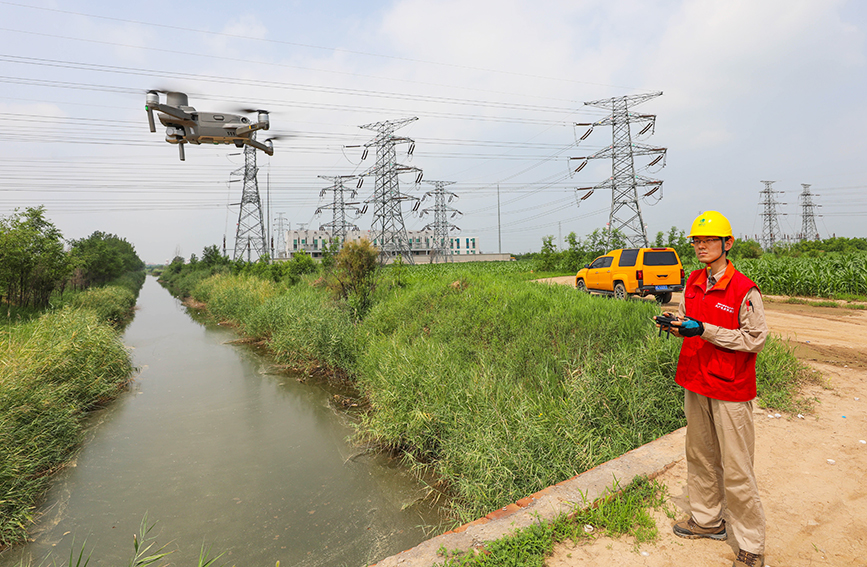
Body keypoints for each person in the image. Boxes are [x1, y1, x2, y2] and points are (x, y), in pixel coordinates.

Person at [656, 211, 769, 567]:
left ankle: (751, 543)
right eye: (696, 241)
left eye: (708, 240)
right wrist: (676, 326)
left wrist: (702, 329)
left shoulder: (743, 289)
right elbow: (690, 322)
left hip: (730, 388)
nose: (701, 246)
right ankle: (707, 520)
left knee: (737, 467)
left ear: (727, 244)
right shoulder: (692, 282)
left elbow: (754, 340)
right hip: (696, 381)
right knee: (700, 455)